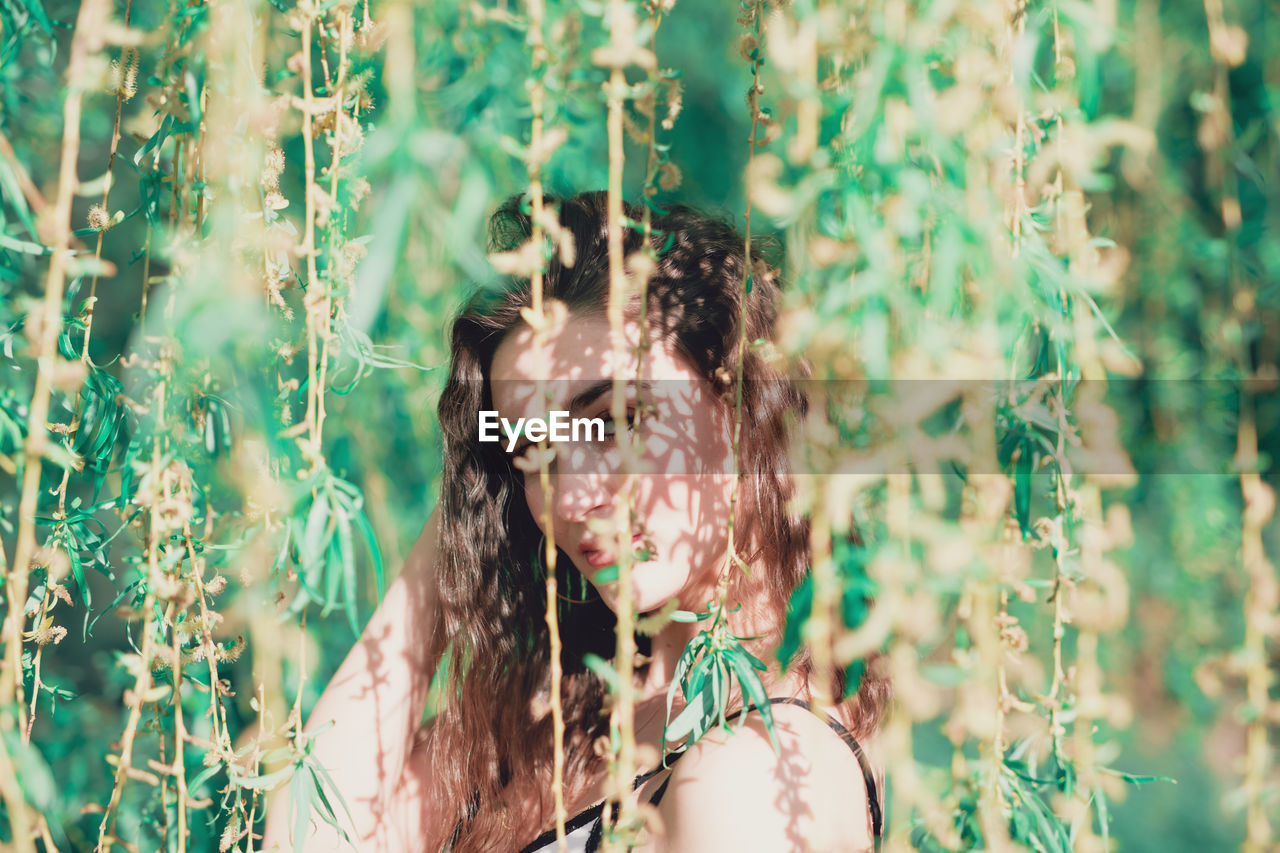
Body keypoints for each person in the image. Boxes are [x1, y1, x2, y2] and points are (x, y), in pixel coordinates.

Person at [261, 190, 891, 853]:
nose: (570, 494)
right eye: (531, 451)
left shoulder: (754, 774)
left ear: (748, 402)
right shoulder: (566, 723)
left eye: (616, 418)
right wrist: (474, 503)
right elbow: (313, 835)